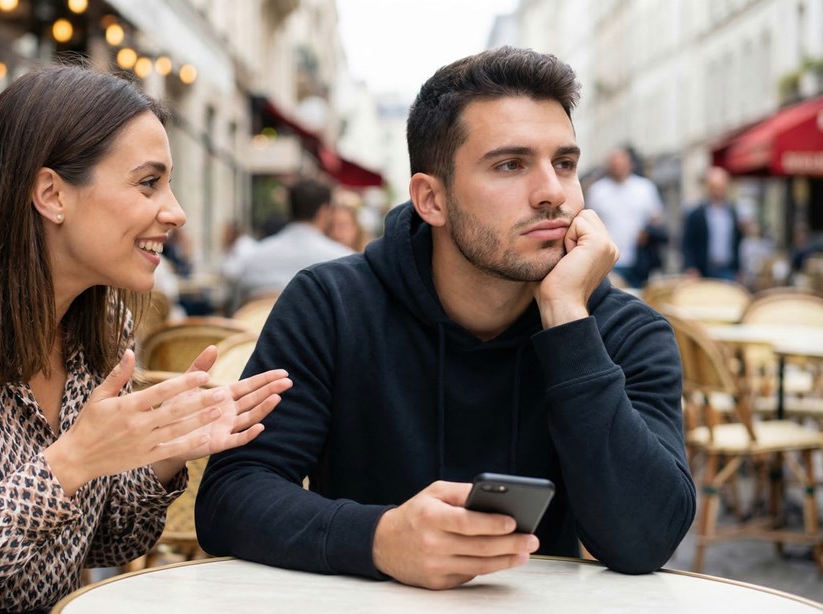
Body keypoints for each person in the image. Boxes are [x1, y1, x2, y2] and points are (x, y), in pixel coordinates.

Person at [196, 46, 694, 589]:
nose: (553, 192)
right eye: (510, 164)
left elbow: (646, 538)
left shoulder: (623, 331)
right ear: (431, 199)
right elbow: (231, 496)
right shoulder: (333, 305)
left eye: (565, 164)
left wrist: (568, 319)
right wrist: (379, 538)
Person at [0, 64, 292, 613]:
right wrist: (70, 463)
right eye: (148, 182)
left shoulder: (100, 328)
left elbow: (114, 541)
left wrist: (163, 451)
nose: (175, 212)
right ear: (52, 194)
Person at [235, 178, 354, 303]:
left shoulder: (254, 257)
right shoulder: (343, 261)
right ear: (324, 211)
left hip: (256, 320)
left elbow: (236, 308)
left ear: (289, 207)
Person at [584, 147, 664, 287]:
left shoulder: (644, 188)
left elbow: (656, 218)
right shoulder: (597, 191)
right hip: (608, 259)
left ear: (630, 164)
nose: (618, 167)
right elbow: (588, 221)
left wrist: (648, 232)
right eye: (614, 164)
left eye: (621, 163)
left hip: (639, 259)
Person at [681, 167, 742, 281]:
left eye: (721, 187)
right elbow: (687, 243)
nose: (718, 191)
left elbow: (736, 242)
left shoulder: (732, 213)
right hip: (703, 270)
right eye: (714, 187)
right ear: (708, 188)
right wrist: (691, 267)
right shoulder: (696, 214)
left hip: (728, 269)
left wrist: (738, 268)